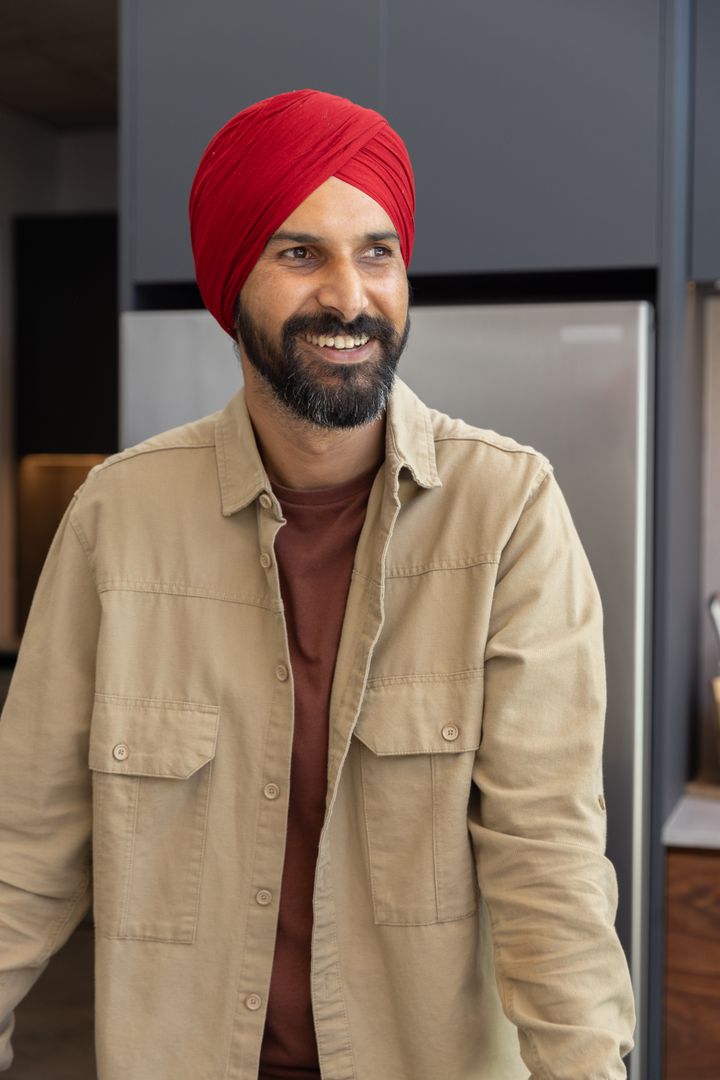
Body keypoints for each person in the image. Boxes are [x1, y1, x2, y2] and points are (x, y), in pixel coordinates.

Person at [0, 89, 635, 1079]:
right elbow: (22, 855)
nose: (350, 296)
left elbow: (547, 862)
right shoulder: (114, 523)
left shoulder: (507, 511)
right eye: (301, 253)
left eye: (376, 251)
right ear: (231, 282)